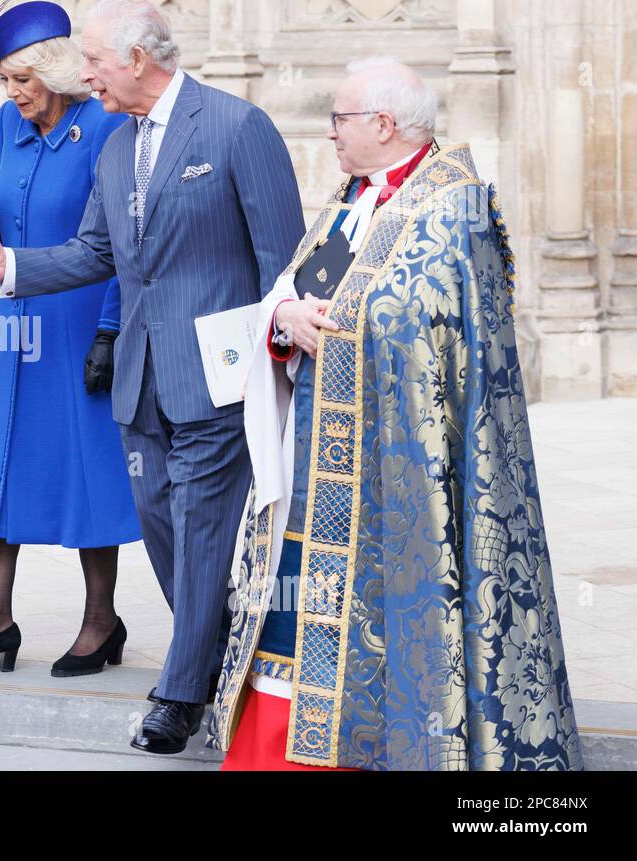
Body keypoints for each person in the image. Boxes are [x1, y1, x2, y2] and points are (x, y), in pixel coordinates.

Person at [0, 0, 305, 754]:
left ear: (138, 60)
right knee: (163, 527)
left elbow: (285, 264)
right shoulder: (117, 147)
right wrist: (5, 266)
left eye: (95, 62)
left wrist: (282, 371)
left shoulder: (239, 129)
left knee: (203, 525)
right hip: (139, 380)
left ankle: (180, 692)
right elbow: (92, 254)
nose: (85, 75)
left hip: (214, 376)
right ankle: (212, 649)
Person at [206, 58, 584, 771]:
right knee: (297, 607)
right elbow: (297, 281)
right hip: (315, 457)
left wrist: (344, 321)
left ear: (383, 124)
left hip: (402, 471)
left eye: (339, 120)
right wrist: (283, 313)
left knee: (392, 619)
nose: (329, 136)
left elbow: (428, 321)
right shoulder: (351, 196)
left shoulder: (455, 203)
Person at [0, 1, 141, 677]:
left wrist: (109, 330)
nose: (12, 92)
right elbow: (17, 214)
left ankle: (101, 620)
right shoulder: (11, 129)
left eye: (22, 77)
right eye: (4, 80)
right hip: (16, 321)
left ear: (57, 69)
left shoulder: (105, 125)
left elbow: (117, 244)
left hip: (79, 321)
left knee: (88, 471)